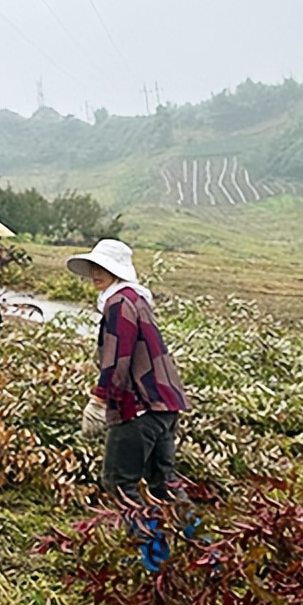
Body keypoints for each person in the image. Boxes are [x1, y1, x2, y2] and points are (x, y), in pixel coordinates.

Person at [68, 239, 192, 572]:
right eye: (93, 267)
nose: (95, 274)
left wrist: (98, 399)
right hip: (165, 405)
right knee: (163, 481)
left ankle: (153, 561)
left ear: (116, 271)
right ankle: (200, 547)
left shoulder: (119, 303)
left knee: (119, 483)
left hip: (137, 408)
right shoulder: (137, 299)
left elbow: (118, 358)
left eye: (102, 268)